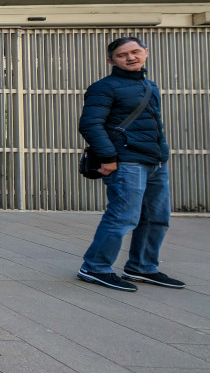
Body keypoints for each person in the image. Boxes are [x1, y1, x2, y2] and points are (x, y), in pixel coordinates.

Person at [77, 37, 183, 291]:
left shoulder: (150, 86)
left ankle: (142, 267)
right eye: (123, 55)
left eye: (135, 52)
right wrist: (109, 158)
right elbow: (90, 125)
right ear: (111, 60)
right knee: (123, 217)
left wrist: (162, 155)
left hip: (155, 162)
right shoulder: (104, 87)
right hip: (126, 162)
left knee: (157, 218)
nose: (131, 57)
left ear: (146, 52)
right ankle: (95, 267)